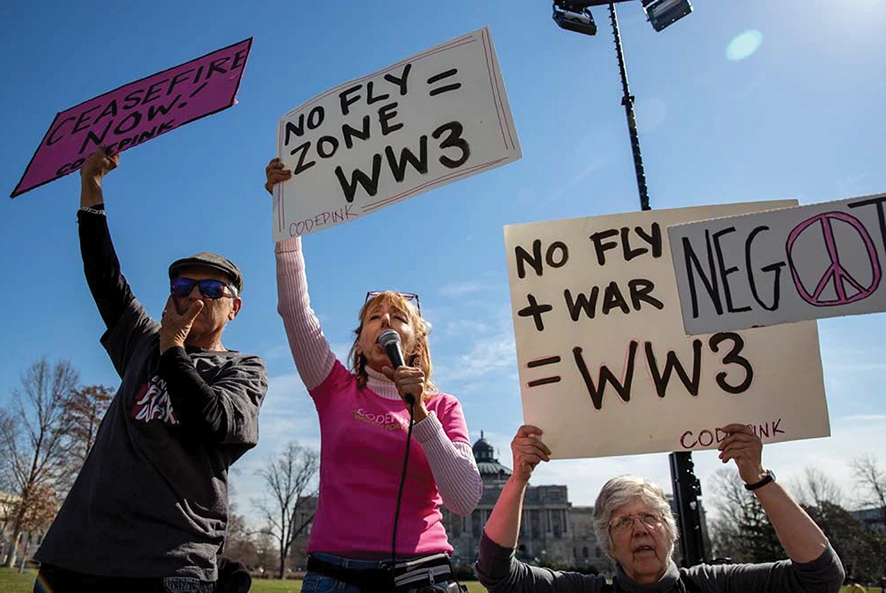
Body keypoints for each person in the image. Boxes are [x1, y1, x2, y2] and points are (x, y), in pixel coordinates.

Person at [34, 148, 268, 593]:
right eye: (182, 286)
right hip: (76, 555)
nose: (194, 295)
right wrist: (91, 188)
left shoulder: (243, 368)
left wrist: (174, 349)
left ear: (235, 307)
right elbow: (106, 278)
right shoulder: (143, 342)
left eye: (211, 287)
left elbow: (214, 421)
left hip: (168, 564)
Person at [266, 158, 483, 592]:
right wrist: (286, 217)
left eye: (398, 316)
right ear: (361, 342)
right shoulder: (335, 388)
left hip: (423, 575)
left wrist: (420, 413)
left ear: (416, 342)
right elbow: (295, 310)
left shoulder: (443, 407)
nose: (385, 320)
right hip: (335, 575)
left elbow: (463, 498)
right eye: (373, 317)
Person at [477, 423, 845, 593]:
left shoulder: (716, 586)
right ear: (607, 543)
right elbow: (497, 573)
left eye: (650, 517)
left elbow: (822, 576)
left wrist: (758, 477)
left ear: (670, 530)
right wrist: (518, 482)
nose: (640, 529)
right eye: (622, 523)